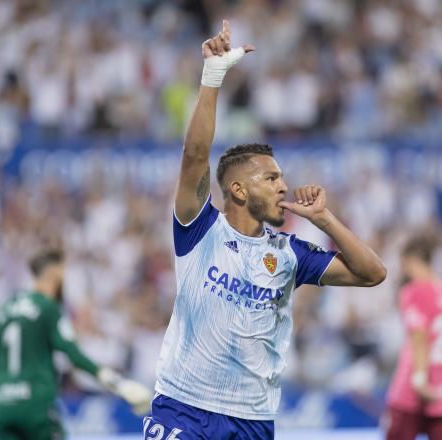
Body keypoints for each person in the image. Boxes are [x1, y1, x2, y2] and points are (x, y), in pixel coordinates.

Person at [143, 20, 387, 439]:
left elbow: (373, 274)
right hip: (184, 408)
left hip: (253, 420)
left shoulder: (291, 254)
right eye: (271, 178)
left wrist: (325, 221)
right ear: (238, 189)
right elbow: (195, 155)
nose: (284, 186)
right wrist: (213, 76)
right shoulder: (200, 231)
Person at [0, 248, 152, 440]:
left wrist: (10, 388)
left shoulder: (6, 309)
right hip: (35, 406)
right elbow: (73, 354)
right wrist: (118, 384)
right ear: (54, 276)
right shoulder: (47, 308)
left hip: (3, 407)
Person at [385, 236, 442, 440]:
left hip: (412, 389)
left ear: (410, 261)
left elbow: (419, 335)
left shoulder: (413, 292)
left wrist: (420, 379)